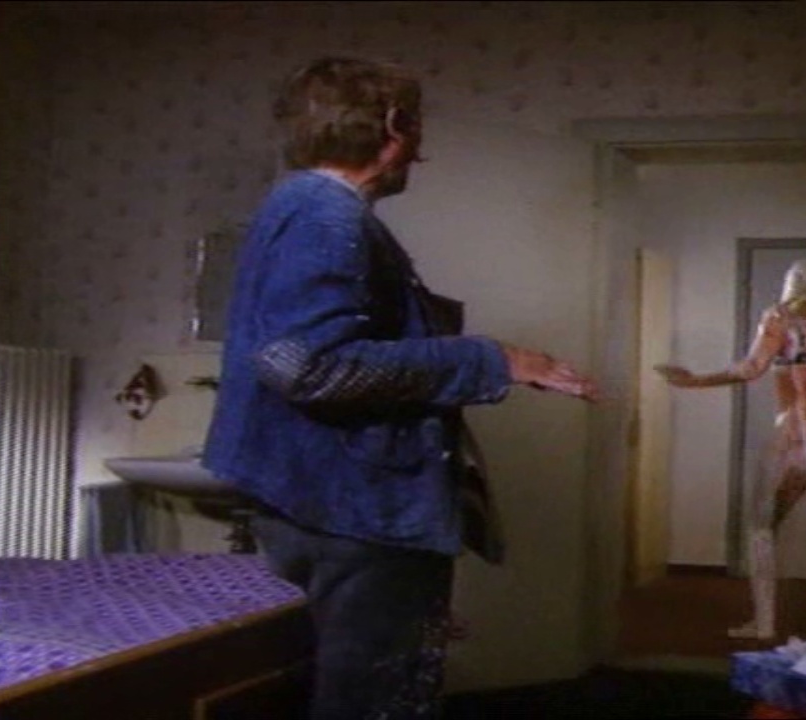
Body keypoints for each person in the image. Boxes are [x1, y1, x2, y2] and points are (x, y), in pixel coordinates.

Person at [202, 56, 599, 720]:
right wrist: (491, 360)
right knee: (377, 703)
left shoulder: (300, 208)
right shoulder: (326, 217)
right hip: (353, 511)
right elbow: (306, 365)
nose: (421, 153)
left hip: (327, 503)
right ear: (393, 125)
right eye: (416, 130)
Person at [655, 258, 806, 645]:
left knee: (761, 529)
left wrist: (693, 381)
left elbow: (749, 369)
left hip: (796, 435)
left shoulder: (780, 318)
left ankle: (764, 624)